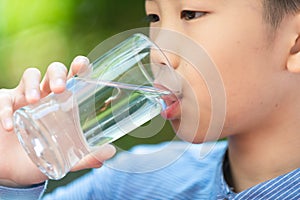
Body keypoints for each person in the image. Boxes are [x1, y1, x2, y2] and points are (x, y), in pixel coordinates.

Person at [0, 0, 300, 199]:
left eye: (191, 14)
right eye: (154, 17)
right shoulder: (128, 187)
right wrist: (12, 178)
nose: (158, 53)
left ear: (296, 43)